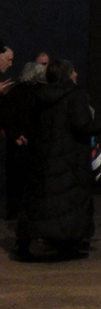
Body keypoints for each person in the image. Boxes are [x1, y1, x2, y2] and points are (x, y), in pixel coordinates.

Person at [16, 59, 101, 260]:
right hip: (70, 159)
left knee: (41, 204)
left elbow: (32, 125)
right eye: (74, 71)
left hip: (43, 158)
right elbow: (81, 126)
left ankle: (27, 243)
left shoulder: (40, 96)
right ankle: (68, 246)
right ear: (67, 75)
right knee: (70, 205)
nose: (76, 74)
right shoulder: (75, 96)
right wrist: (100, 126)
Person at [2, 61, 47, 219]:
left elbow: (6, 118)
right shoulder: (45, 93)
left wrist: (16, 135)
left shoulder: (14, 92)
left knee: (15, 181)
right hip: (37, 145)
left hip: (16, 144)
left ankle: (13, 211)